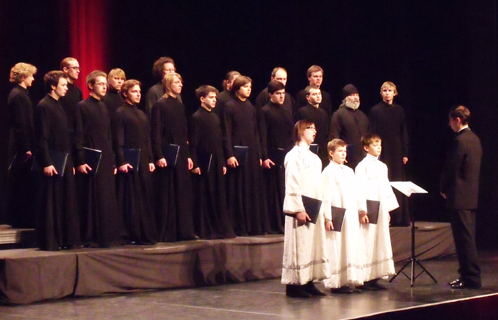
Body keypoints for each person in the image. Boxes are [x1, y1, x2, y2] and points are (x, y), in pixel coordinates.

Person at [282, 120, 330, 298]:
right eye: (311, 128)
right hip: (301, 207)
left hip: (313, 206)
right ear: (302, 131)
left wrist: (322, 209)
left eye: (315, 128)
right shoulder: (295, 155)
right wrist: (297, 209)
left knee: (311, 244)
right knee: (299, 244)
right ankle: (294, 285)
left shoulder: (314, 157)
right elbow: (292, 183)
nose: (315, 131)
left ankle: (308, 281)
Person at [74, 70, 121, 247]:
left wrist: (114, 159)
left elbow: (109, 135)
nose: (104, 86)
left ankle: (107, 235)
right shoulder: (82, 106)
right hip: (91, 156)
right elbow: (78, 135)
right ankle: (91, 236)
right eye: (100, 83)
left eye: (104, 83)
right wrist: (80, 159)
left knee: (106, 196)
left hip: (106, 155)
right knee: (92, 195)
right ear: (90, 86)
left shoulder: (103, 106)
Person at [34, 71, 81, 251]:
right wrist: (46, 162)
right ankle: (51, 240)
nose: (66, 88)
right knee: (52, 200)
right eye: (63, 85)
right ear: (53, 86)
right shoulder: (44, 106)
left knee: (65, 199)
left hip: (64, 159)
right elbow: (42, 138)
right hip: (53, 160)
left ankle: (64, 238)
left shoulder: (58, 105)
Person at [151, 73, 197, 242]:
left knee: (182, 191)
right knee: (169, 190)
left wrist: (188, 155)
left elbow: (184, 133)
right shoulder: (160, 105)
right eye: (177, 82)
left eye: (181, 82)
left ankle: (184, 230)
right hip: (168, 153)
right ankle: (168, 231)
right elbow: (156, 132)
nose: (180, 85)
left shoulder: (179, 105)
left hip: (182, 152)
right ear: (169, 84)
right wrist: (159, 155)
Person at [222, 75, 269, 235]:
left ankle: (253, 225)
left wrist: (259, 154)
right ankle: (239, 225)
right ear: (237, 89)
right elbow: (226, 133)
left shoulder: (250, 106)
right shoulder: (229, 107)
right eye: (245, 86)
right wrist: (229, 154)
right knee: (238, 188)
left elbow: (255, 133)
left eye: (250, 86)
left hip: (252, 153)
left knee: (251, 188)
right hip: (237, 154)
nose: (249, 89)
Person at [440, 106, 482, 289]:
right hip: (470, 196)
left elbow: (452, 167)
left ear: (457, 120)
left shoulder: (461, 140)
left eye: (450, 121)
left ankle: (471, 277)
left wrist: (443, 187)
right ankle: (467, 276)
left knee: (464, 240)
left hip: (459, 197)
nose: (449, 124)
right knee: (467, 238)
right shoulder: (475, 139)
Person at [112, 79, 158, 245]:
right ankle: (129, 233)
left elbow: (148, 139)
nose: (138, 94)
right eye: (134, 91)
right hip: (129, 161)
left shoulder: (142, 114)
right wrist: (121, 161)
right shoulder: (120, 113)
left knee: (144, 195)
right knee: (130, 197)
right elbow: (118, 140)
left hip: (144, 161)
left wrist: (151, 159)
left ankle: (143, 232)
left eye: (139, 91)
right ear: (125, 93)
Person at [188, 85, 236, 239]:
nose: (214, 100)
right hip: (204, 163)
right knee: (205, 194)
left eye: (215, 97)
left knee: (217, 194)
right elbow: (194, 143)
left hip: (216, 162)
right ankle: (204, 229)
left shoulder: (215, 117)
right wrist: (195, 164)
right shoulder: (196, 117)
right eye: (211, 97)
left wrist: (222, 163)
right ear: (202, 99)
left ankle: (218, 227)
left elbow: (219, 142)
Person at [355, 133, 399, 290]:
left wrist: (387, 209)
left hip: (380, 206)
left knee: (379, 239)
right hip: (369, 206)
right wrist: (362, 210)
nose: (379, 147)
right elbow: (359, 189)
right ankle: (365, 277)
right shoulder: (362, 166)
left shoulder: (382, 166)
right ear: (366, 148)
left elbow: (386, 188)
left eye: (380, 144)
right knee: (367, 239)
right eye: (375, 144)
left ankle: (375, 275)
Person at [322, 139, 365, 293]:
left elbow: (357, 191)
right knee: (337, 246)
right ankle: (336, 283)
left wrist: (362, 210)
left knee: (350, 245)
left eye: (344, 151)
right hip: (337, 213)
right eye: (340, 151)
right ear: (331, 153)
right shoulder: (328, 172)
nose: (343, 154)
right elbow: (325, 195)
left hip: (351, 214)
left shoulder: (349, 171)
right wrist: (327, 217)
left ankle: (349, 280)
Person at [369, 81, 410, 226]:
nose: (387, 93)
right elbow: (373, 132)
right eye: (384, 91)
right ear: (381, 93)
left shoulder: (399, 110)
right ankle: (386, 217)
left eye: (390, 91)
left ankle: (400, 217)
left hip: (397, 150)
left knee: (398, 181)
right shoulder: (375, 110)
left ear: (395, 93)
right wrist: (375, 151)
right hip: (383, 150)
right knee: (385, 181)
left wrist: (405, 152)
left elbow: (403, 131)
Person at [257, 80, 294, 233]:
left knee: (286, 189)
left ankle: (287, 222)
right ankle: (275, 224)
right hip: (273, 156)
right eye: (277, 94)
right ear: (270, 94)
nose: (281, 96)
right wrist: (264, 156)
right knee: (275, 191)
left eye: (282, 93)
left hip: (287, 154)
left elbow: (290, 132)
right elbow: (262, 135)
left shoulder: (286, 109)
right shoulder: (265, 111)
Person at [6, 62, 37, 228]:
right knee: (21, 181)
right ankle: (20, 219)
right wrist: (27, 147)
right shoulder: (18, 95)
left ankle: (24, 217)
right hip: (21, 145)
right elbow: (20, 124)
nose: (33, 79)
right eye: (31, 76)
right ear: (24, 76)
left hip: (24, 143)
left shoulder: (22, 94)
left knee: (25, 182)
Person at [328, 84, 369, 170]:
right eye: (352, 95)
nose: (355, 98)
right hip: (347, 157)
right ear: (345, 98)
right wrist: (339, 155)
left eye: (357, 95)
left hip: (363, 157)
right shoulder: (338, 114)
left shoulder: (363, 116)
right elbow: (334, 137)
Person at [295, 85, 329, 168]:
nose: (318, 96)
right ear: (307, 97)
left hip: (322, 149)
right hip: (308, 147)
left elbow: (326, 132)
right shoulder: (302, 112)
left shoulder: (323, 113)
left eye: (319, 94)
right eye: (314, 94)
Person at [59, 57, 83, 132]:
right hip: (62, 131)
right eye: (75, 68)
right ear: (65, 69)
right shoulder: (59, 90)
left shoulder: (78, 91)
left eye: (79, 68)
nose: (78, 71)